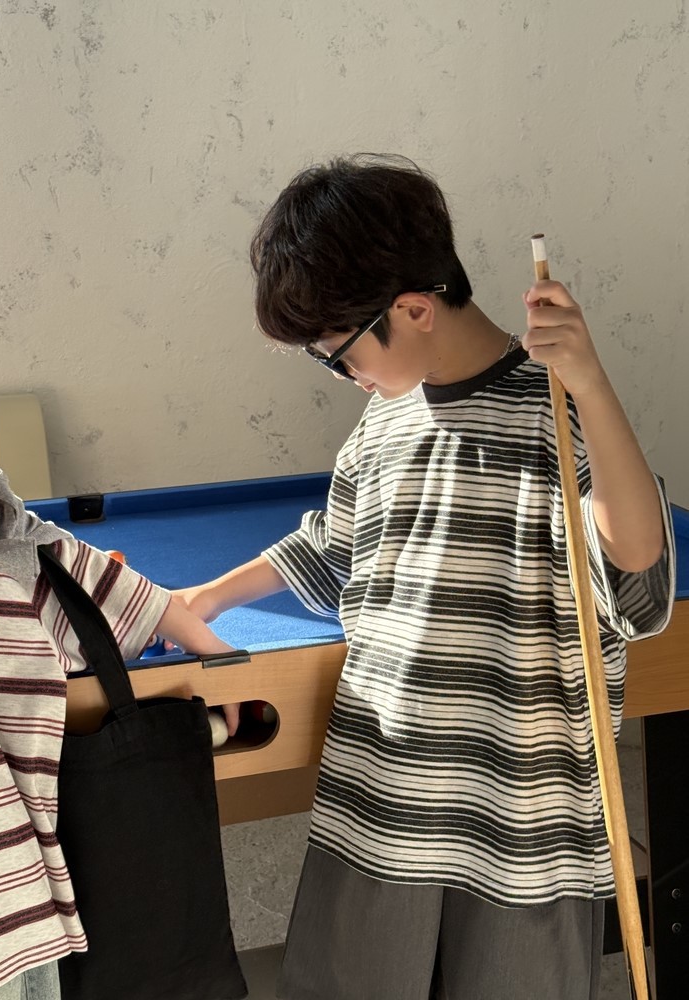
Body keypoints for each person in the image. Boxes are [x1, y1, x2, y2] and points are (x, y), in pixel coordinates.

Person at [176, 155, 676, 1000]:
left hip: (524, 811)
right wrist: (206, 597)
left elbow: (634, 559)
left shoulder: (554, 411)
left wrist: (590, 384)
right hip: (384, 794)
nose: (344, 375)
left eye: (337, 355)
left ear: (411, 310)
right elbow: (335, 544)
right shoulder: (382, 421)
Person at [0, 327, 240, 1000]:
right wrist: (225, 666)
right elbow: (106, 589)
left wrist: (216, 654)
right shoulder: (0, 542)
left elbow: (86, 576)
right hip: (3, 904)